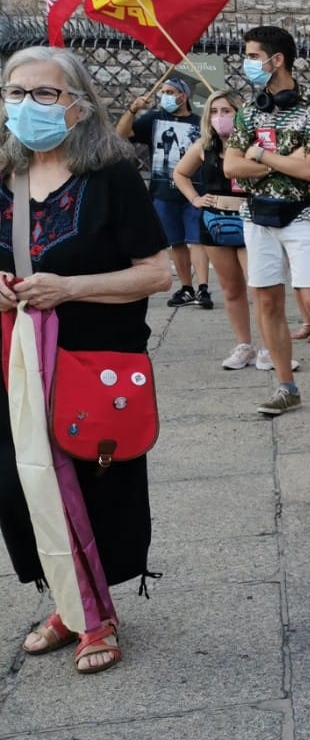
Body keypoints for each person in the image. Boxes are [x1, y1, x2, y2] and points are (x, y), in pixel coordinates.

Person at [1, 47, 173, 674]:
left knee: (94, 484)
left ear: (77, 106)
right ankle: (68, 606)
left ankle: (97, 614)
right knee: (27, 487)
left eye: (43, 95)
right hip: (17, 364)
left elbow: (159, 273)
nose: (26, 106)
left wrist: (68, 288)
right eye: (15, 93)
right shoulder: (4, 173)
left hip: (93, 364)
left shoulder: (112, 177)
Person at [222, 25, 310, 422]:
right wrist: (281, 161)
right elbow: (231, 165)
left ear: (277, 60)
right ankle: (285, 387)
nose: (248, 63)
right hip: (257, 216)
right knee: (268, 301)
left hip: (303, 215)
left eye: (254, 56)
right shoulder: (249, 110)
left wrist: (260, 155)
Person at [172, 90, 259, 369]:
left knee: (259, 288)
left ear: (240, 113)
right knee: (231, 289)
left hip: (250, 220)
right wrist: (195, 199)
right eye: (214, 111)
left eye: (227, 111)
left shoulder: (255, 145)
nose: (219, 117)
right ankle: (244, 345)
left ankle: (271, 347)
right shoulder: (204, 146)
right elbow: (180, 173)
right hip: (214, 223)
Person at [116, 73, 209, 308]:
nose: (164, 97)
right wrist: (132, 110)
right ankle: (186, 288)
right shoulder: (154, 119)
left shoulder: (199, 122)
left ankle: (203, 289)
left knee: (196, 240)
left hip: (193, 190)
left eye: (170, 92)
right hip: (163, 192)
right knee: (175, 241)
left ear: (183, 96)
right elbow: (122, 133)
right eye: (163, 92)